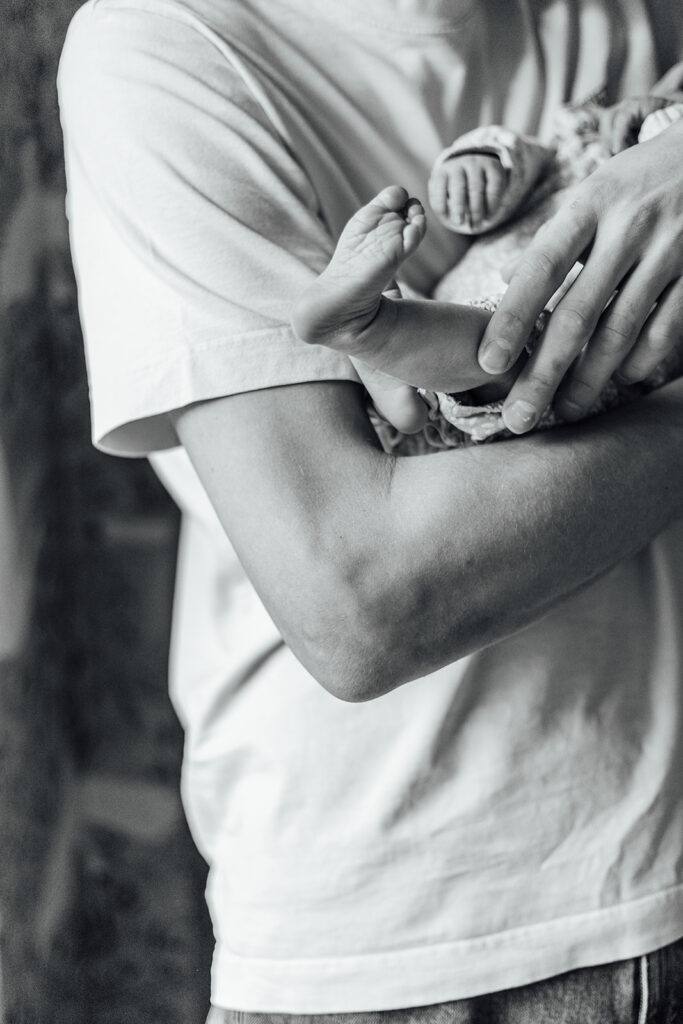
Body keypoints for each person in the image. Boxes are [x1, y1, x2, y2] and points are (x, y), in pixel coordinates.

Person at [57, 1, 683, 1020]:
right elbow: (360, 605)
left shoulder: (627, 18)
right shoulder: (166, 41)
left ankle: (383, 336)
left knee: (507, 357)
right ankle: (378, 331)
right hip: (410, 931)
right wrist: (494, 167)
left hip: (655, 851)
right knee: (496, 346)